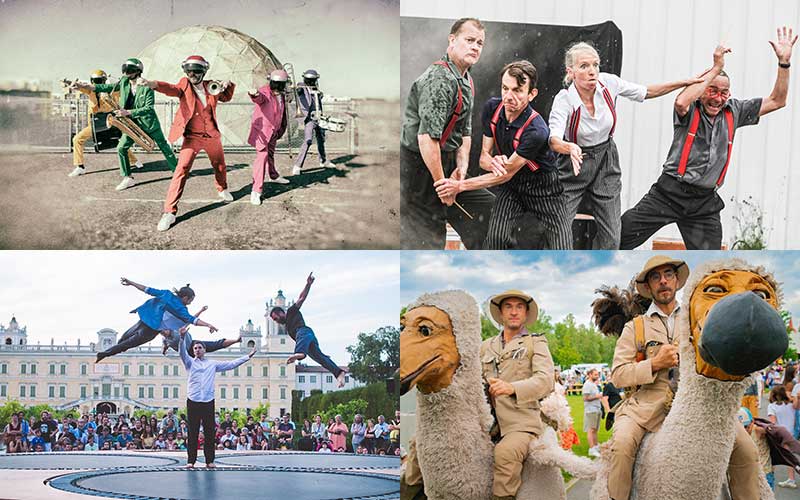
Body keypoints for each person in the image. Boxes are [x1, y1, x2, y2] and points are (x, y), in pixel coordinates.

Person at [621, 28, 797, 249]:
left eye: (724, 93)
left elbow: (777, 101)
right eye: (712, 91)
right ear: (702, 89)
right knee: (621, 237)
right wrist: (716, 68)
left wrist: (784, 64)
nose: (718, 98)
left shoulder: (735, 111)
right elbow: (680, 102)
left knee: (710, 260)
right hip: (669, 193)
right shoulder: (691, 108)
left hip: (704, 203)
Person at [608, 255, 760, 499]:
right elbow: (617, 375)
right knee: (621, 447)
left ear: (677, 281)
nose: (663, 281)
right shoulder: (634, 327)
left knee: (747, 452)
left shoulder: (698, 317)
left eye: (668, 274)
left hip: (696, 404)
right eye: (655, 277)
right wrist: (654, 364)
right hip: (646, 407)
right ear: (648, 287)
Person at [548, 42, 700, 249]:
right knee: (559, 234)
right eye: (584, 66)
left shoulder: (608, 84)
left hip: (606, 161)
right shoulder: (564, 99)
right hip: (573, 163)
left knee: (611, 237)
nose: (592, 71)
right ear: (571, 72)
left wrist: (684, 82)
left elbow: (647, 92)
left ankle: (597, 275)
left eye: (595, 65)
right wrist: (570, 147)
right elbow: (553, 139)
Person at [434, 60, 572, 249]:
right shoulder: (492, 108)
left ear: (532, 94)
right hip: (512, 189)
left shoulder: (537, 130)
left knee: (562, 251)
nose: (508, 96)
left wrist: (459, 186)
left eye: (517, 90)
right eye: (505, 88)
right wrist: (493, 163)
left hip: (545, 192)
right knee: (495, 241)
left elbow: (506, 174)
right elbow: (483, 158)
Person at [400, 17, 495, 249]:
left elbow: (464, 133)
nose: (475, 47)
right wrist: (443, 185)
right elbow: (426, 139)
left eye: (479, 43)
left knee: (491, 210)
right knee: (427, 241)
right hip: (420, 170)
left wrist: (461, 172)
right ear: (452, 40)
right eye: (469, 40)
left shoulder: (466, 79)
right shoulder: (439, 78)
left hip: (448, 166)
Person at [139, 55, 236, 231]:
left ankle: (222, 189)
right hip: (192, 137)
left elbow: (226, 97)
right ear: (185, 71)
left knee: (220, 165)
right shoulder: (184, 83)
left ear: (204, 71)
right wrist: (152, 84)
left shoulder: (210, 85)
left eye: (197, 71)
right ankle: (169, 212)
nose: (193, 74)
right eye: (189, 70)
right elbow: (172, 89)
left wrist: (228, 84)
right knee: (181, 170)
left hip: (212, 135)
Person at [480, 289, 555, 499]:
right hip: (487, 421)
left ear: (525, 313)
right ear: (501, 313)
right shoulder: (486, 346)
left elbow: (545, 380)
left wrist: (513, 388)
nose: (514, 312)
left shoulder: (536, 342)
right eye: (508, 307)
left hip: (521, 422)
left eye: (519, 307)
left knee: (505, 454)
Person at [74, 58, 178, 191]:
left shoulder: (147, 86)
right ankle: (128, 178)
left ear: (137, 71)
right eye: (125, 70)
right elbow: (108, 87)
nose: (126, 73)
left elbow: (149, 108)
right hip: (130, 123)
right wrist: (87, 87)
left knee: (164, 147)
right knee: (121, 148)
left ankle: (177, 172)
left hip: (149, 123)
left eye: (129, 70)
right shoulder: (124, 82)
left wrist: (128, 112)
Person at [179, 327, 256, 468]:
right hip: (193, 401)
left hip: (208, 401)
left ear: (204, 350)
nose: (197, 350)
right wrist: (182, 337)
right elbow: (182, 352)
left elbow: (230, 364)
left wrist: (247, 357)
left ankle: (210, 460)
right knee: (193, 432)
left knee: (209, 432)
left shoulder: (212, 364)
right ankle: (191, 461)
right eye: (195, 348)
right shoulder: (189, 363)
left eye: (199, 347)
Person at [96, 278, 218, 363]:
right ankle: (104, 354)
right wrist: (208, 325)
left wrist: (131, 283)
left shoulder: (166, 294)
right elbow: (193, 320)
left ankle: (107, 352)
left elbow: (147, 289)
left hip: (143, 321)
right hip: (151, 330)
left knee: (124, 338)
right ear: (185, 298)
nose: (191, 303)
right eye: (191, 300)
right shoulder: (181, 308)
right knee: (127, 344)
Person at [269, 272, 347, 386]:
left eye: (276, 318)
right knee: (320, 358)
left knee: (300, 334)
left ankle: (299, 353)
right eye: (275, 321)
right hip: (307, 342)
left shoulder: (291, 311)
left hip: (305, 332)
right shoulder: (288, 327)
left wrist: (308, 284)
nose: (277, 321)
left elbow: (302, 298)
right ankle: (339, 373)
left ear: (281, 312)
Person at [68, 69, 142, 178]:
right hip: (94, 124)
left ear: (104, 81)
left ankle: (134, 161)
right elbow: (80, 86)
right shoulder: (91, 90)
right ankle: (80, 167)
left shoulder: (111, 90)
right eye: (95, 81)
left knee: (118, 141)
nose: (97, 83)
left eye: (100, 80)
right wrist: (70, 83)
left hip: (108, 121)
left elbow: (123, 91)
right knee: (77, 139)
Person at [247, 69, 291, 205]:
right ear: (271, 82)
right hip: (262, 133)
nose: (277, 88)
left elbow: (280, 111)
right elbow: (260, 98)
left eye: (280, 85)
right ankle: (256, 191)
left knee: (270, 154)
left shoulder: (282, 95)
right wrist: (254, 94)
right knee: (262, 158)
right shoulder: (265, 91)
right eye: (275, 84)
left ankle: (273, 176)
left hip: (274, 131)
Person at [291, 69, 336, 175]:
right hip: (310, 119)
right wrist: (296, 89)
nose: (311, 82)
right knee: (308, 140)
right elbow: (299, 90)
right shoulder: (302, 87)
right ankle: (297, 165)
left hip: (319, 118)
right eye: (309, 80)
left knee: (321, 140)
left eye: (313, 80)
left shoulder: (317, 90)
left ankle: (323, 161)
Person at [768, 385, 797, 488]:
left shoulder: (772, 406)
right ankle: (791, 479)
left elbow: (773, 423)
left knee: (772, 457)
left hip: (780, 435)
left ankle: (769, 478)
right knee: (790, 457)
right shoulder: (791, 405)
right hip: (791, 434)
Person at [582, 368, 603, 457]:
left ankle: (595, 446)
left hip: (596, 409)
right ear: (590, 375)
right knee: (591, 429)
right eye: (595, 375)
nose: (597, 376)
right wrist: (597, 396)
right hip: (591, 410)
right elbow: (585, 398)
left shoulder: (593, 384)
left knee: (595, 429)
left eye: (597, 374)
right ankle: (591, 449)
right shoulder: (587, 385)